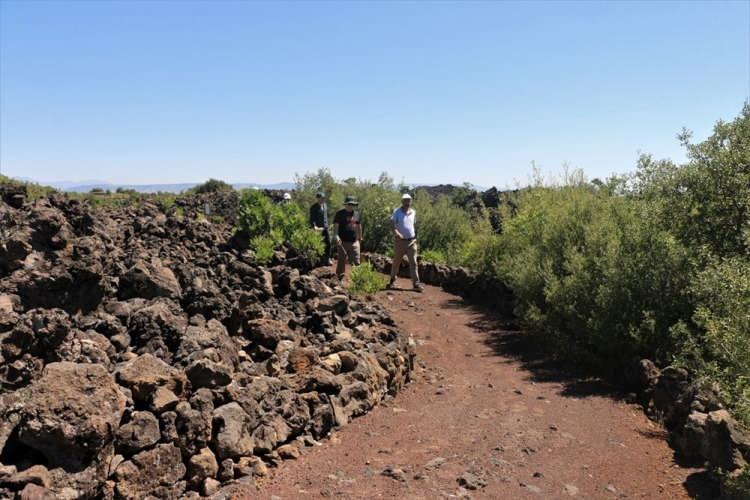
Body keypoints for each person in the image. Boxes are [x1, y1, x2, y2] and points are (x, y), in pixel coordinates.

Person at [388, 193, 423, 292]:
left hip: (412, 241)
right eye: (405, 201)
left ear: (411, 201)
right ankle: (392, 280)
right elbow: (392, 224)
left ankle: (416, 284)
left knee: (414, 262)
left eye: (408, 201)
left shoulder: (413, 212)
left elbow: (412, 225)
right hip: (400, 241)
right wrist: (396, 233)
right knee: (396, 261)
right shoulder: (397, 212)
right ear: (402, 202)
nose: (407, 202)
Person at [333, 195, 362, 279]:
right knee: (341, 262)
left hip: (354, 242)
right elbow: (336, 227)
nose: (351, 206)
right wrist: (336, 236)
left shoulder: (356, 214)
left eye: (352, 204)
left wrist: (359, 238)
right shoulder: (339, 214)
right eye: (349, 204)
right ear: (345, 204)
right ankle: (339, 280)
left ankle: (358, 281)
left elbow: (358, 226)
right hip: (342, 242)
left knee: (356, 263)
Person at [309, 191, 331, 265]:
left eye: (323, 198)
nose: (323, 199)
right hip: (318, 229)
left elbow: (325, 216)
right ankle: (318, 261)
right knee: (318, 244)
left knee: (328, 243)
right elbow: (312, 219)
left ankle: (327, 259)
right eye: (321, 198)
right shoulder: (313, 207)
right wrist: (314, 227)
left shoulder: (325, 205)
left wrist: (327, 225)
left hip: (325, 227)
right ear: (317, 198)